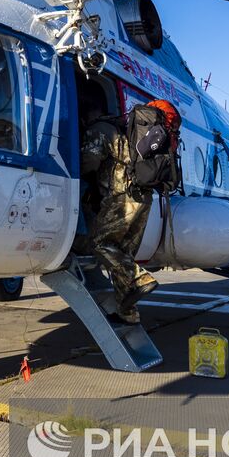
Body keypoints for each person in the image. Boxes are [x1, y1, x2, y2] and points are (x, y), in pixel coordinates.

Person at [81, 107, 158, 324]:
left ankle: (141, 278)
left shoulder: (99, 129)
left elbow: (89, 161)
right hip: (144, 198)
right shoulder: (125, 132)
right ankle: (128, 312)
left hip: (122, 196)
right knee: (121, 254)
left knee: (100, 244)